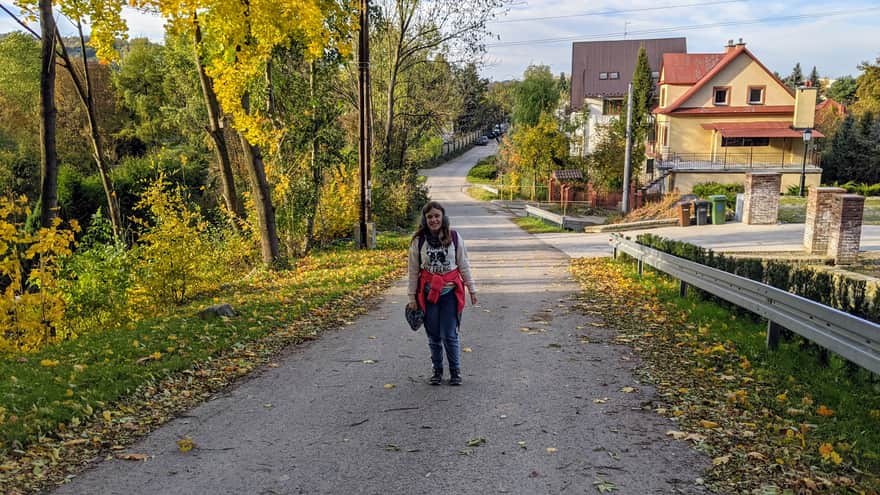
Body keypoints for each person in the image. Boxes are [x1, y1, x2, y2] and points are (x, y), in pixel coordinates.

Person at [407, 201, 478, 386]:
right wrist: (411, 297)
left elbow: (463, 264)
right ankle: (437, 371)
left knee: (449, 334)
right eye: (430, 217)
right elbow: (413, 271)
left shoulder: (454, 237)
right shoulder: (418, 241)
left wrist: (472, 289)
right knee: (433, 335)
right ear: (425, 219)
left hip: (449, 295)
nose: (434, 220)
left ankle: (455, 372)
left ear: (443, 217)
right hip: (428, 295)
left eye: (437, 216)